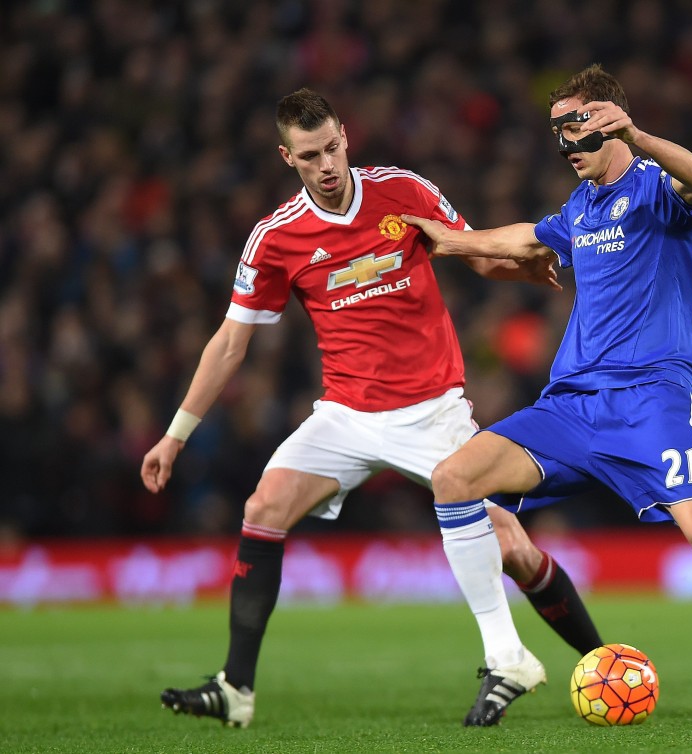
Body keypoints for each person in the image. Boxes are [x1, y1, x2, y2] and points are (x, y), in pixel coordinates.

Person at [403, 64, 692, 721]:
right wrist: (448, 242)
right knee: (453, 479)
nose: (566, 143)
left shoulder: (657, 189)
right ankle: (506, 657)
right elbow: (525, 237)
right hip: (571, 406)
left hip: (652, 401)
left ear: (609, 122)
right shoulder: (579, 208)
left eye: (576, 127)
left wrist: (639, 136)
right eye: (557, 130)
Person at [140, 88, 603, 729]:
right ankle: (236, 687)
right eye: (310, 155)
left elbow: (466, 248)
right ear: (288, 158)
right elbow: (230, 342)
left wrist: (514, 268)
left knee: (512, 547)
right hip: (346, 415)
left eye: (332, 147)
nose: (327, 164)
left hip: (432, 410)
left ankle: (604, 664)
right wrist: (175, 435)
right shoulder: (276, 238)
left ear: (345, 137)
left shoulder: (404, 191)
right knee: (263, 508)